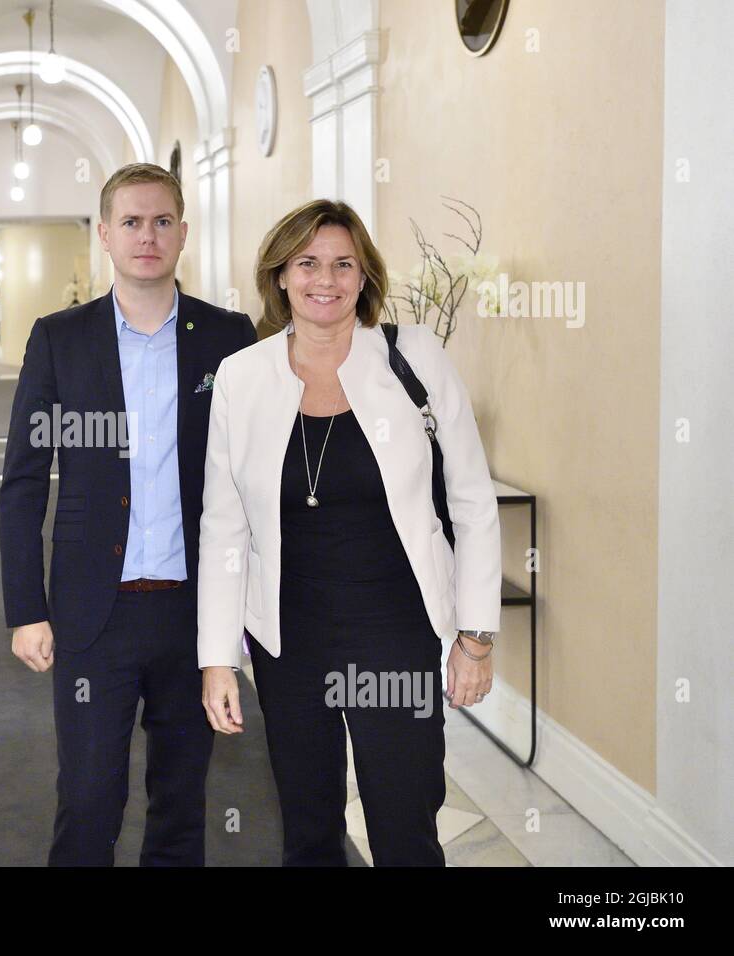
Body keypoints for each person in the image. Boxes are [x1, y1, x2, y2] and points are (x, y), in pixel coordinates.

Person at [197, 199, 501, 866]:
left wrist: (475, 639)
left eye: (343, 264)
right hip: (289, 638)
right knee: (308, 827)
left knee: (406, 821)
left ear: (364, 278)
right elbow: (223, 527)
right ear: (280, 276)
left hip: (394, 631)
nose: (324, 280)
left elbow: (473, 499)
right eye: (307, 263)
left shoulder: (412, 358)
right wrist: (217, 655)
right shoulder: (244, 377)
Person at [0, 163, 257, 866]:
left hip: (191, 614)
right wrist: (26, 607)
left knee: (180, 804)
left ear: (182, 234)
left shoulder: (228, 337)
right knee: (87, 803)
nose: (149, 235)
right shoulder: (60, 338)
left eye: (163, 221)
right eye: (133, 222)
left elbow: (252, 482)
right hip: (93, 615)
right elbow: (23, 482)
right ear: (106, 236)